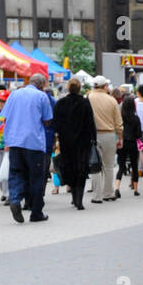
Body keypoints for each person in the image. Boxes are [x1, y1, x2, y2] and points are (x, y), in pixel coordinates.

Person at [2, 73, 53, 223]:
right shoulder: (42, 96)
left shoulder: (13, 95)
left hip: (15, 141)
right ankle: (36, 212)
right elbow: (47, 119)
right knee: (36, 177)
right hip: (34, 142)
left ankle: (15, 199)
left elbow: (5, 117)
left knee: (16, 173)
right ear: (42, 84)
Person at [53, 76, 97, 210]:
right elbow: (91, 122)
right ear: (79, 89)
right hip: (83, 142)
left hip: (66, 142)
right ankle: (79, 199)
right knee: (81, 168)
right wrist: (93, 138)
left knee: (69, 167)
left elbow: (56, 123)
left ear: (68, 88)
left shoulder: (61, 103)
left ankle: (73, 196)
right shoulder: (85, 103)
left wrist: (57, 138)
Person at [88, 75, 123, 202]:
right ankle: (108, 193)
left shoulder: (88, 98)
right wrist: (120, 137)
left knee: (95, 165)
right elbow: (118, 122)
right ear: (104, 86)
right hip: (109, 134)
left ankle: (96, 196)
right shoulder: (111, 100)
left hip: (93, 135)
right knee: (108, 166)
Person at [115, 93, 141, 198]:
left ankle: (117, 187)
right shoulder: (136, 118)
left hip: (122, 142)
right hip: (133, 143)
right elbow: (139, 134)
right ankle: (135, 190)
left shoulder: (120, 118)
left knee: (121, 166)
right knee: (134, 166)